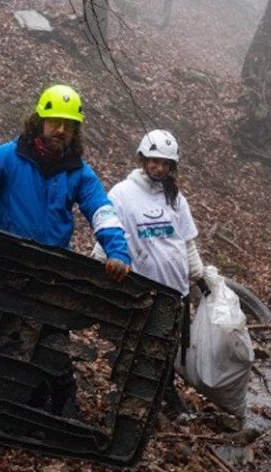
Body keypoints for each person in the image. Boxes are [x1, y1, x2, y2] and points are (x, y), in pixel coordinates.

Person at [0, 84, 131, 282]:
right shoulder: (11, 156)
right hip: (4, 261)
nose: (61, 130)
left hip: (52, 272)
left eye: (69, 125)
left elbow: (102, 212)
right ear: (40, 122)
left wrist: (117, 252)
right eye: (55, 121)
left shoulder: (80, 173)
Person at [92, 129, 204, 416]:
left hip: (175, 288)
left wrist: (198, 274)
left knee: (167, 348)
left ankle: (164, 396)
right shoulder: (122, 193)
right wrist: (98, 266)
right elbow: (107, 232)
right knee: (143, 347)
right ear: (143, 159)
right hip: (144, 289)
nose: (159, 168)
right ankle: (139, 402)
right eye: (154, 161)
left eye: (165, 163)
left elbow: (186, 240)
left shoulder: (175, 196)